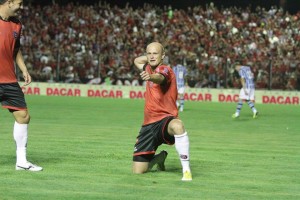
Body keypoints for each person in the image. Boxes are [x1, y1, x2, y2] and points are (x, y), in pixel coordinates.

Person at [132, 42, 192, 181]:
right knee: (138, 171)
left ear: (163, 56)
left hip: (165, 120)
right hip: (148, 126)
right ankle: (159, 158)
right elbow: (137, 60)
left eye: (156, 53)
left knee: (177, 125)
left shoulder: (166, 69)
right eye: (149, 53)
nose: (152, 56)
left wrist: (150, 76)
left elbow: (160, 78)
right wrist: (151, 58)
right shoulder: (147, 66)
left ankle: (186, 170)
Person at [0, 0, 42, 171]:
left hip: (9, 79)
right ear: (9, 2)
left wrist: (24, 69)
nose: (22, 7)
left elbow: (15, 50)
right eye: (19, 3)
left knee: (23, 116)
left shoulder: (17, 24)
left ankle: (21, 162)